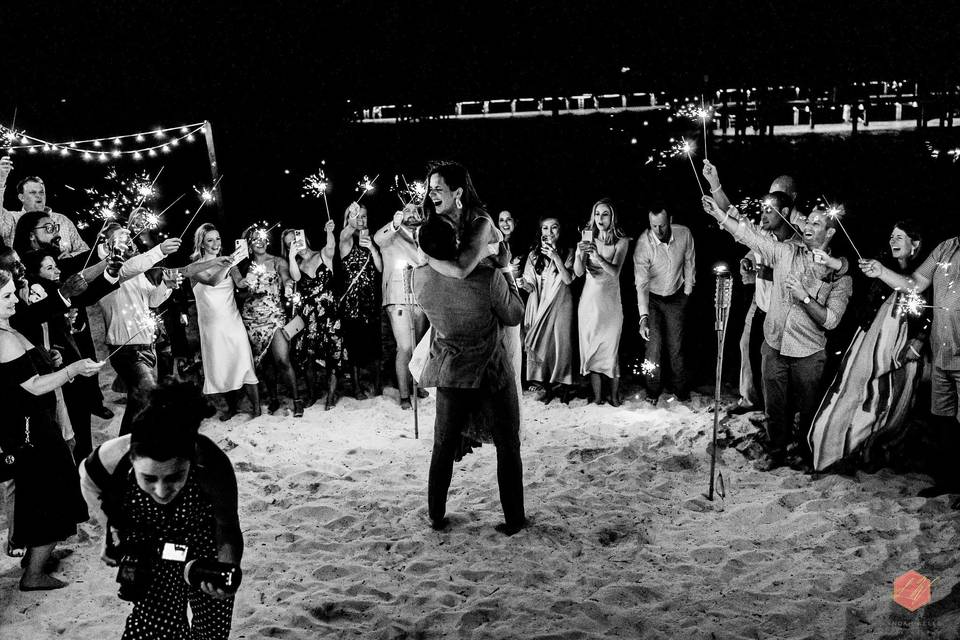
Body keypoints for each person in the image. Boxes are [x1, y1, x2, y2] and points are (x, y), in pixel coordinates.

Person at [79, 380, 243, 639]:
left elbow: (228, 528)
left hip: (202, 542)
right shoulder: (106, 462)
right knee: (155, 627)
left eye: (175, 477)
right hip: (151, 544)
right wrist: (111, 530)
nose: (161, 491)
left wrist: (227, 568)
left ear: (192, 459)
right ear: (132, 458)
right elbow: (90, 485)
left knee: (212, 629)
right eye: (149, 479)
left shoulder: (212, 465)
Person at [703, 196, 853, 470]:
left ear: (829, 232)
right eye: (807, 220)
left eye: (816, 223)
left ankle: (808, 457)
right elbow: (751, 237)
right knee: (774, 408)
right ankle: (776, 452)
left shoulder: (841, 276)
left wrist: (805, 298)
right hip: (773, 344)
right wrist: (720, 216)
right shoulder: (785, 252)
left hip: (808, 353)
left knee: (808, 411)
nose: (807, 225)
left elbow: (831, 321)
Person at [414, 213, 526, 535]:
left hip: (450, 373)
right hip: (491, 372)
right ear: (457, 244)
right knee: (507, 445)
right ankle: (514, 519)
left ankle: (436, 514)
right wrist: (504, 269)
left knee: (443, 447)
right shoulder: (487, 278)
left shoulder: (418, 280)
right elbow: (515, 314)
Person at [0, 267, 103, 590]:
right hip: (30, 429)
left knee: (39, 495)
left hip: (33, 424)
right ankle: (34, 574)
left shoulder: (9, 327)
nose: (15, 299)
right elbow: (32, 386)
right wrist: (74, 368)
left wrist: (52, 359)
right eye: (5, 296)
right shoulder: (2, 339)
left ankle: (35, 559)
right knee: (52, 495)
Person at [811, 221, 930, 471]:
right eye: (891, 237)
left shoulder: (925, 275)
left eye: (899, 237)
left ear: (915, 244)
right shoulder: (880, 267)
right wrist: (831, 262)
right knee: (850, 393)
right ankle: (834, 453)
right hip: (870, 343)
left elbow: (929, 310)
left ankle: (871, 452)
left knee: (892, 404)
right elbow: (853, 270)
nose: (892, 241)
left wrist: (919, 340)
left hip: (904, 353)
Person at [860, 228, 960, 499]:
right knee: (945, 423)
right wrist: (881, 271)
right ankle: (949, 483)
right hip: (942, 354)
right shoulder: (946, 248)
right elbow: (914, 284)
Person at [97, 224, 182, 435]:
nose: (128, 242)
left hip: (147, 345)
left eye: (129, 239)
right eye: (121, 238)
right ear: (107, 246)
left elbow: (152, 301)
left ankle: (130, 444)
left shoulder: (139, 274)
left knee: (139, 401)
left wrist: (167, 286)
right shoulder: (110, 272)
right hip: (125, 349)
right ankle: (127, 447)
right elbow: (131, 266)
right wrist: (160, 249)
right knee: (146, 393)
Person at [187, 223, 260, 419]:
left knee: (243, 361)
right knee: (221, 366)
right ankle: (231, 408)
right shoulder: (193, 267)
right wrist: (225, 264)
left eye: (217, 239)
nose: (215, 243)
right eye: (210, 240)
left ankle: (257, 409)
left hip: (232, 320)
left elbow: (239, 283)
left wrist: (250, 280)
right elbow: (212, 281)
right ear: (201, 243)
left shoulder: (231, 262)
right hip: (211, 326)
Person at [632, 203, 696, 403]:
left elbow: (689, 261)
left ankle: (680, 389)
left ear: (670, 221)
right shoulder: (643, 246)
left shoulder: (684, 234)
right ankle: (652, 391)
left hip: (676, 295)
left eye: (662, 225)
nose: (658, 231)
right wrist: (643, 317)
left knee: (676, 347)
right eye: (654, 226)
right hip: (652, 298)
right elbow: (641, 284)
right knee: (653, 348)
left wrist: (687, 291)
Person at [239, 225, 301, 416]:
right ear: (249, 244)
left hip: (274, 317)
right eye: (255, 239)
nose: (260, 241)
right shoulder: (244, 266)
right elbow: (240, 294)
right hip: (252, 319)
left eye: (263, 238)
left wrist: (288, 284)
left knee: (282, 359)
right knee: (264, 363)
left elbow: (285, 278)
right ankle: (273, 398)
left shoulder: (276, 261)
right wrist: (248, 287)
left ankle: (297, 399)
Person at [284, 222, 347, 410]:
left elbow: (331, 247)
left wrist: (329, 231)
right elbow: (295, 277)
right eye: (289, 244)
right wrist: (291, 255)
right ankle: (312, 394)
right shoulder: (297, 264)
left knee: (332, 355)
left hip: (329, 314)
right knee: (307, 357)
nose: (294, 244)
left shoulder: (321, 255)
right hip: (309, 316)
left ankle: (331, 396)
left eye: (295, 239)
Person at [573, 198, 629, 405]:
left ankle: (614, 397)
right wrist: (580, 253)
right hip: (589, 302)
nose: (600, 218)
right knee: (591, 349)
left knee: (610, 349)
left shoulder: (622, 241)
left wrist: (597, 255)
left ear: (612, 216)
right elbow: (578, 273)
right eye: (597, 214)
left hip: (611, 303)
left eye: (604, 214)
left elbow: (614, 272)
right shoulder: (587, 237)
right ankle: (597, 397)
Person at [374, 203, 429, 409]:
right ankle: (404, 395)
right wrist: (394, 225)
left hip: (420, 296)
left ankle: (417, 384)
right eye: (407, 210)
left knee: (417, 347)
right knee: (404, 347)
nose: (413, 213)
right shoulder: (392, 235)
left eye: (416, 211)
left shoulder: (423, 237)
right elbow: (378, 238)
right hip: (397, 296)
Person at [520, 216, 575, 403]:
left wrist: (555, 257)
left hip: (560, 300)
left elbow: (568, 279)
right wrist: (522, 283)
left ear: (560, 231)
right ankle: (548, 386)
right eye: (545, 228)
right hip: (540, 302)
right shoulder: (533, 254)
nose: (549, 232)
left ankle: (565, 385)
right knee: (545, 345)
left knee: (561, 343)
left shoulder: (568, 251)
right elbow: (529, 284)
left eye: (554, 228)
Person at [338, 202, 383, 399]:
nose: (362, 220)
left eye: (364, 216)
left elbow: (380, 269)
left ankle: (378, 384)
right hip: (352, 303)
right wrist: (352, 218)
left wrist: (372, 249)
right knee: (354, 347)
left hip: (371, 300)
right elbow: (343, 234)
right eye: (358, 216)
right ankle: (356, 388)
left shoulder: (373, 240)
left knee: (375, 346)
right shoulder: (346, 241)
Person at [0, 159, 88, 256]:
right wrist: (1, 179)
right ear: (21, 197)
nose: (39, 196)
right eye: (33, 193)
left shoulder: (62, 220)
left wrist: (71, 256)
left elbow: (84, 250)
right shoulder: (12, 219)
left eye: (41, 192)